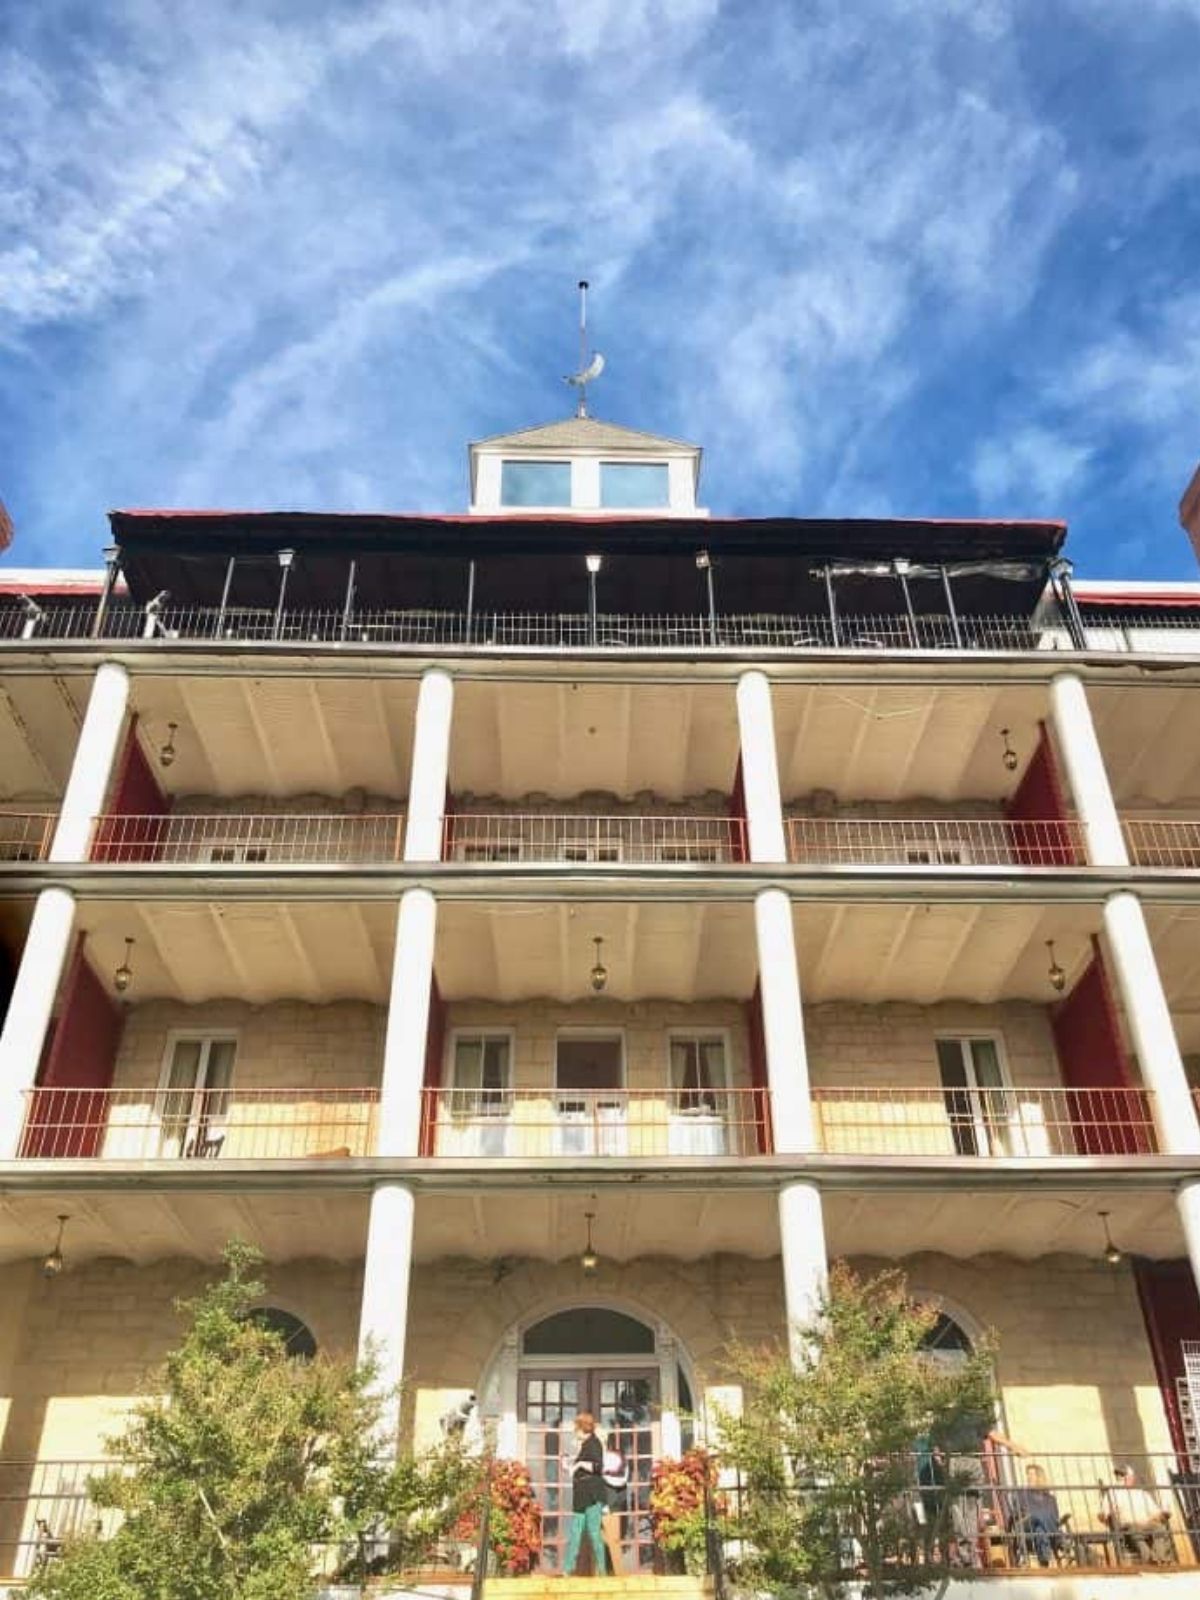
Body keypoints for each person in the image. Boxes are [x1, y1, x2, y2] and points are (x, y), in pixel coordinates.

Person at [1099, 1465, 1173, 1564]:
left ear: (1131, 1478)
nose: (1122, 1478)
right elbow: (1103, 1515)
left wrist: (1163, 1514)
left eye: (1124, 1476)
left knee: (1160, 1529)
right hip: (1128, 1526)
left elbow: (1156, 1513)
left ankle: (1158, 1559)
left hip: (1147, 1524)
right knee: (1135, 1532)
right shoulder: (1113, 1493)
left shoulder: (1141, 1493)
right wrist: (1106, 1515)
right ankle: (1150, 1560)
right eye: (1120, 1476)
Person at [562, 1412, 607, 1576]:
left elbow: (598, 1467)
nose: (575, 1432)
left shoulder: (593, 1443)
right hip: (580, 1496)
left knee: (594, 1533)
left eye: (576, 1428)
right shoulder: (585, 1445)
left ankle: (602, 1571)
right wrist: (568, 1466)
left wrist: (579, 1463)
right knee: (575, 1532)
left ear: (582, 1428)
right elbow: (578, 1471)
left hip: (592, 1496)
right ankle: (567, 1569)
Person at [1007, 1464, 1065, 1566]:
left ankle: (1044, 1562)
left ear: (1040, 1477)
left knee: (1040, 1530)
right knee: (1038, 1516)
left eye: (1032, 1475)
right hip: (1026, 1524)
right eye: (1028, 1475)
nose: (1029, 1477)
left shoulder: (1050, 1498)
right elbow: (1017, 1512)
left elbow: (1055, 1517)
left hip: (1040, 1529)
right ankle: (1059, 1540)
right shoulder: (1021, 1493)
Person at [600, 1440, 628, 1576]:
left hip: (610, 1503)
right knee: (602, 1539)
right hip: (605, 1503)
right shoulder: (616, 1456)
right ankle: (604, 1572)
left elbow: (621, 1480)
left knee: (612, 1540)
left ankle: (616, 1573)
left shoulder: (613, 1457)